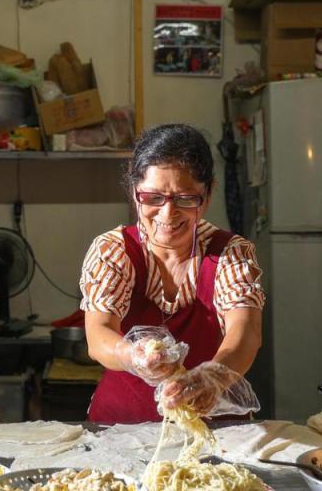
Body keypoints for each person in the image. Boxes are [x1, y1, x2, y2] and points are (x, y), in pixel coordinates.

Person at [80, 124, 265, 424]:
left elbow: (245, 333)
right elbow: (98, 334)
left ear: (207, 195)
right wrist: (132, 356)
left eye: (185, 198)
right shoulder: (113, 251)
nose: (168, 214)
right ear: (134, 190)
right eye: (153, 198)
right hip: (121, 429)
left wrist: (213, 378)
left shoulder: (231, 253)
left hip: (213, 424)